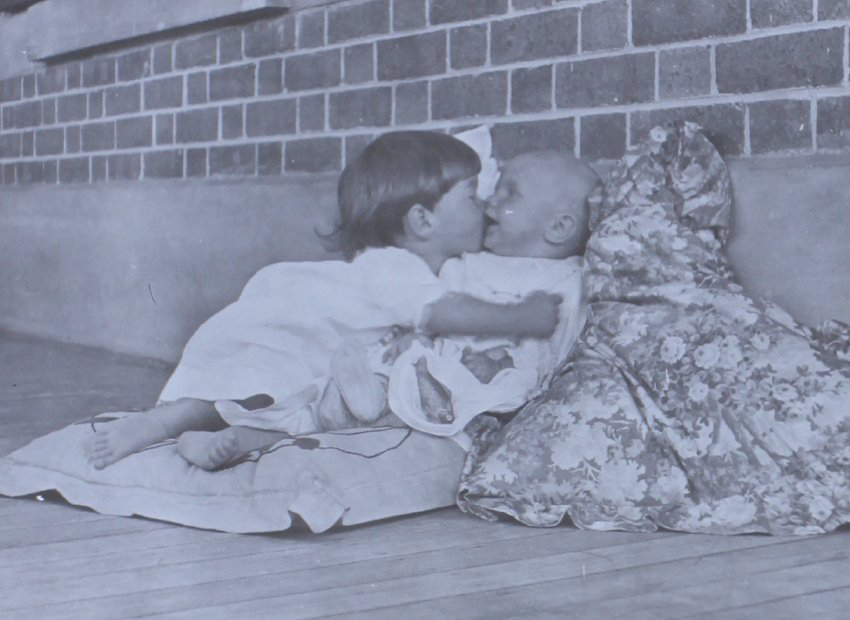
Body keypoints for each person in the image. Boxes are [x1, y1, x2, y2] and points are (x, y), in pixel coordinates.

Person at [87, 131, 561, 471]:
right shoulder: (393, 265)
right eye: (472, 197)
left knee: (303, 412)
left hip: (323, 358)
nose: (485, 207)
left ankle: (223, 440)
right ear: (422, 221)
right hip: (289, 328)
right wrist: (521, 317)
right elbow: (444, 314)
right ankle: (157, 425)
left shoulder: (440, 267)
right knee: (250, 384)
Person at [386, 150, 600, 437]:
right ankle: (366, 398)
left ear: (558, 227)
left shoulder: (568, 284)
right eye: (496, 188)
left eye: (510, 193)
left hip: (500, 394)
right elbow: (432, 315)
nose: (490, 200)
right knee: (405, 362)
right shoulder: (464, 266)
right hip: (440, 369)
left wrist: (500, 366)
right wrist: (415, 337)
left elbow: (556, 362)